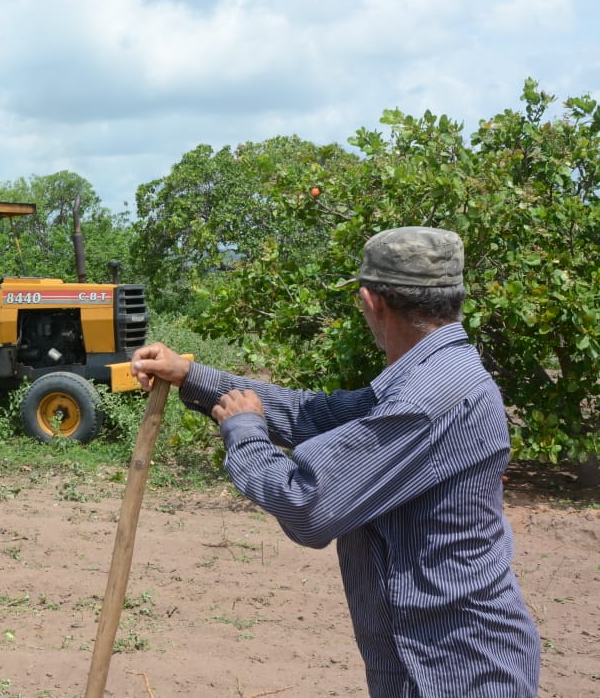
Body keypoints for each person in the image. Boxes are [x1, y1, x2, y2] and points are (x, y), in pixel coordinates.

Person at [131, 227, 540, 697]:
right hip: (429, 656)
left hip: (452, 669)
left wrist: (244, 432)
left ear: (373, 301)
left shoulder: (429, 397)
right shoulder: (432, 374)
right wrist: (191, 376)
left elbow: (309, 504)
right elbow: (320, 414)